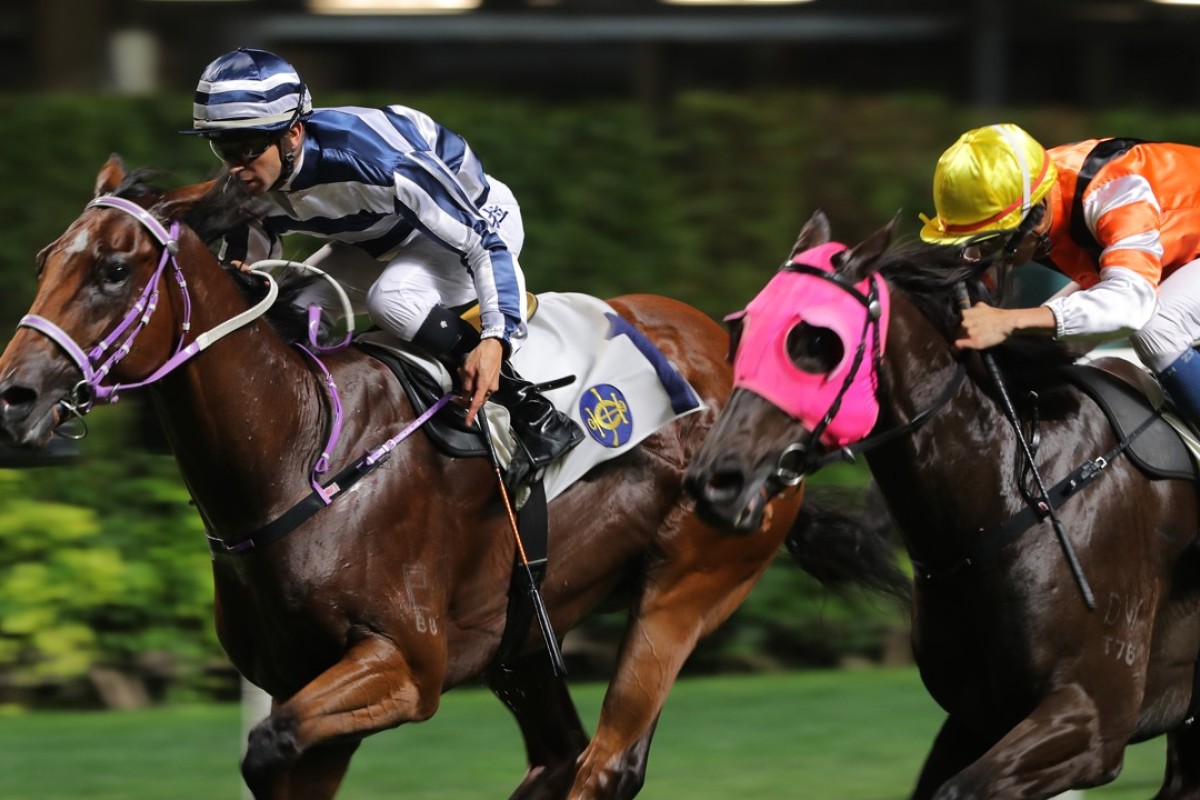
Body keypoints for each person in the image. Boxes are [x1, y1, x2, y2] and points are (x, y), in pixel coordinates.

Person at [182, 47, 582, 488]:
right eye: (223, 148)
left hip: (479, 223)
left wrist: (496, 338)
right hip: (383, 239)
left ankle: (527, 408)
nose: (235, 168)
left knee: (391, 298)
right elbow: (243, 284)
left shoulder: (378, 163)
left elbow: (481, 241)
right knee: (292, 309)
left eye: (246, 147)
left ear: (293, 133)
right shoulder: (252, 182)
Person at [919, 122, 1200, 428]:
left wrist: (1009, 320)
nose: (986, 256)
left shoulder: (1115, 192)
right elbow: (1095, 297)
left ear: (1037, 213)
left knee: (1157, 326)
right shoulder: (1033, 191)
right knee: (1051, 342)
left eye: (993, 241)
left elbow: (1132, 304)